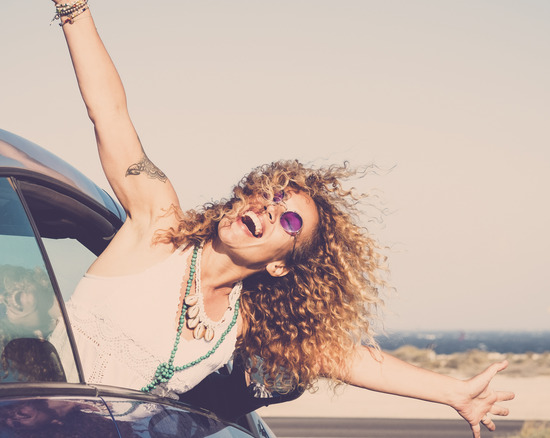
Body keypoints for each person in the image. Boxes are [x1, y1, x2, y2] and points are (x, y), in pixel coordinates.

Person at [47, 1, 515, 436]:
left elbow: (343, 358)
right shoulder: (160, 229)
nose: (269, 209)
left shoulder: (240, 322)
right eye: (268, 195)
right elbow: (109, 115)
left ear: (281, 265)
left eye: (290, 222)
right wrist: (74, 8)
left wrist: (455, 393)